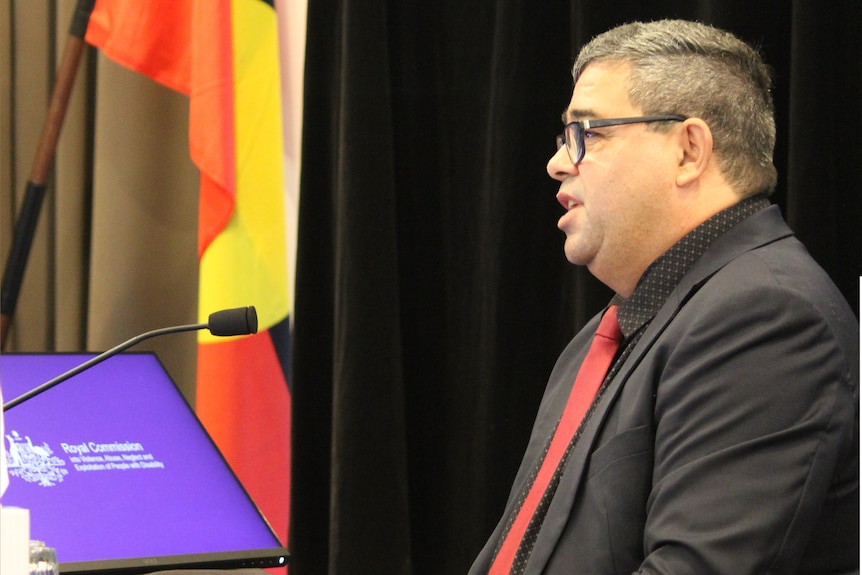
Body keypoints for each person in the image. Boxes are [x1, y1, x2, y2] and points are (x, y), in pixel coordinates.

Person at [469, 19, 859, 575]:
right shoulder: (614, 331)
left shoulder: (768, 317)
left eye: (589, 133)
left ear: (688, 150)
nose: (558, 162)